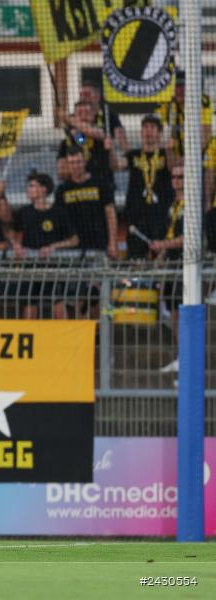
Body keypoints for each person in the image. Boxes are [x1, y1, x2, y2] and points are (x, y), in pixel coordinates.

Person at [11, 172, 78, 319]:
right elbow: (16, 238)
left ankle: (62, 337)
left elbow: (74, 240)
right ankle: (30, 336)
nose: (28, 189)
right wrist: (17, 247)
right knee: (29, 302)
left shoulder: (58, 212)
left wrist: (53, 247)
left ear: (43, 189)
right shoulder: (24, 212)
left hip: (53, 266)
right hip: (30, 267)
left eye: (32, 186)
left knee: (57, 300)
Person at [111, 115, 173, 259]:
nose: (148, 131)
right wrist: (111, 150)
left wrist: (170, 149)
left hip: (161, 214)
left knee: (163, 258)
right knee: (135, 259)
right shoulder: (134, 155)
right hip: (137, 215)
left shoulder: (165, 154)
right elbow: (116, 165)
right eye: (145, 127)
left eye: (152, 128)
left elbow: (173, 168)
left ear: (160, 132)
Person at [55, 147, 118, 260]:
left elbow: (110, 214)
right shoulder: (62, 190)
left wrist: (112, 243)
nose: (76, 166)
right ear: (68, 165)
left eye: (78, 162)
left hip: (99, 244)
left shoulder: (100, 183)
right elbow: (59, 219)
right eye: (72, 163)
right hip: (73, 249)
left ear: (84, 162)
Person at [152, 165, 186, 375]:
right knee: (173, 312)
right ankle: (181, 355)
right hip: (172, 265)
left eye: (181, 176)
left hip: (185, 265)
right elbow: (170, 234)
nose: (177, 180)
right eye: (174, 177)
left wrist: (163, 246)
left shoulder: (192, 204)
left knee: (182, 312)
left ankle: (188, 358)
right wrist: (161, 255)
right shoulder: (172, 205)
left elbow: (188, 237)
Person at [157, 69, 213, 166]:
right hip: (175, 157)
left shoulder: (203, 102)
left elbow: (205, 135)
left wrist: (187, 160)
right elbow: (163, 136)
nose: (179, 90)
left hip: (200, 155)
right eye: (176, 86)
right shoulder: (166, 104)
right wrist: (173, 158)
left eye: (182, 86)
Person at [57, 100, 113, 184]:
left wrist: (67, 119)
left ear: (93, 116)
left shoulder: (102, 133)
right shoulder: (66, 143)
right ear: (75, 116)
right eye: (80, 113)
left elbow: (90, 134)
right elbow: (61, 173)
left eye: (87, 113)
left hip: (103, 185)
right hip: (75, 187)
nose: (83, 116)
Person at [71, 81, 128, 155]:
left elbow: (121, 136)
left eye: (87, 94)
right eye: (81, 95)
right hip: (82, 158)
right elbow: (81, 141)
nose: (83, 98)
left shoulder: (108, 114)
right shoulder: (73, 118)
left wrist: (126, 155)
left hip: (105, 157)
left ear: (97, 96)